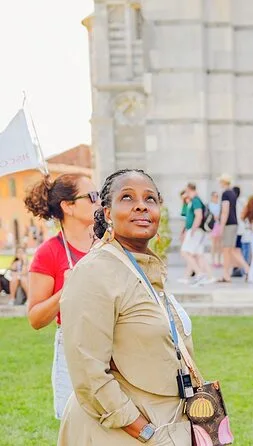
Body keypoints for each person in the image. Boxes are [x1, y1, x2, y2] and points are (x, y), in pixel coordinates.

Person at [57, 169, 194, 445]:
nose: (141, 205)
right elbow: (88, 370)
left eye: (150, 199)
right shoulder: (95, 271)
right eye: (128, 197)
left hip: (168, 419)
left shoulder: (146, 268)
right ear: (107, 213)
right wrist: (143, 430)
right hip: (123, 431)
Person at [23, 173, 100, 419]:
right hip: (73, 347)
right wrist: (65, 291)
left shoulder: (109, 243)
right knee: (77, 424)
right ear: (68, 206)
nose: (99, 201)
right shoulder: (49, 253)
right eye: (92, 196)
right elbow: (36, 319)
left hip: (114, 342)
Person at [180, 183, 214, 285]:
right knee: (198, 255)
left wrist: (193, 230)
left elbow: (198, 216)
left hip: (195, 231)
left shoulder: (195, 200)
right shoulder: (195, 200)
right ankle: (206, 276)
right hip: (197, 231)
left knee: (185, 252)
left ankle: (199, 274)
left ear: (189, 189)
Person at [219, 176, 249, 282]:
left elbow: (225, 211)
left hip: (228, 225)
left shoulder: (225, 194)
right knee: (231, 250)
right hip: (234, 223)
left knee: (227, 251)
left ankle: (228, 274)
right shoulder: (232, 193)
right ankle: (245, 270)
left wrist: (221, 226)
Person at [208, 191, 223, 267]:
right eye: (214, 196)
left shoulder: (220, 205)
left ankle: (219, 261)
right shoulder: (209, 205)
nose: (215, 198)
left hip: (219, 225)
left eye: (217, 196)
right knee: (213, 244)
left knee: (219, 244)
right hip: (212, 225)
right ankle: (213, 261)